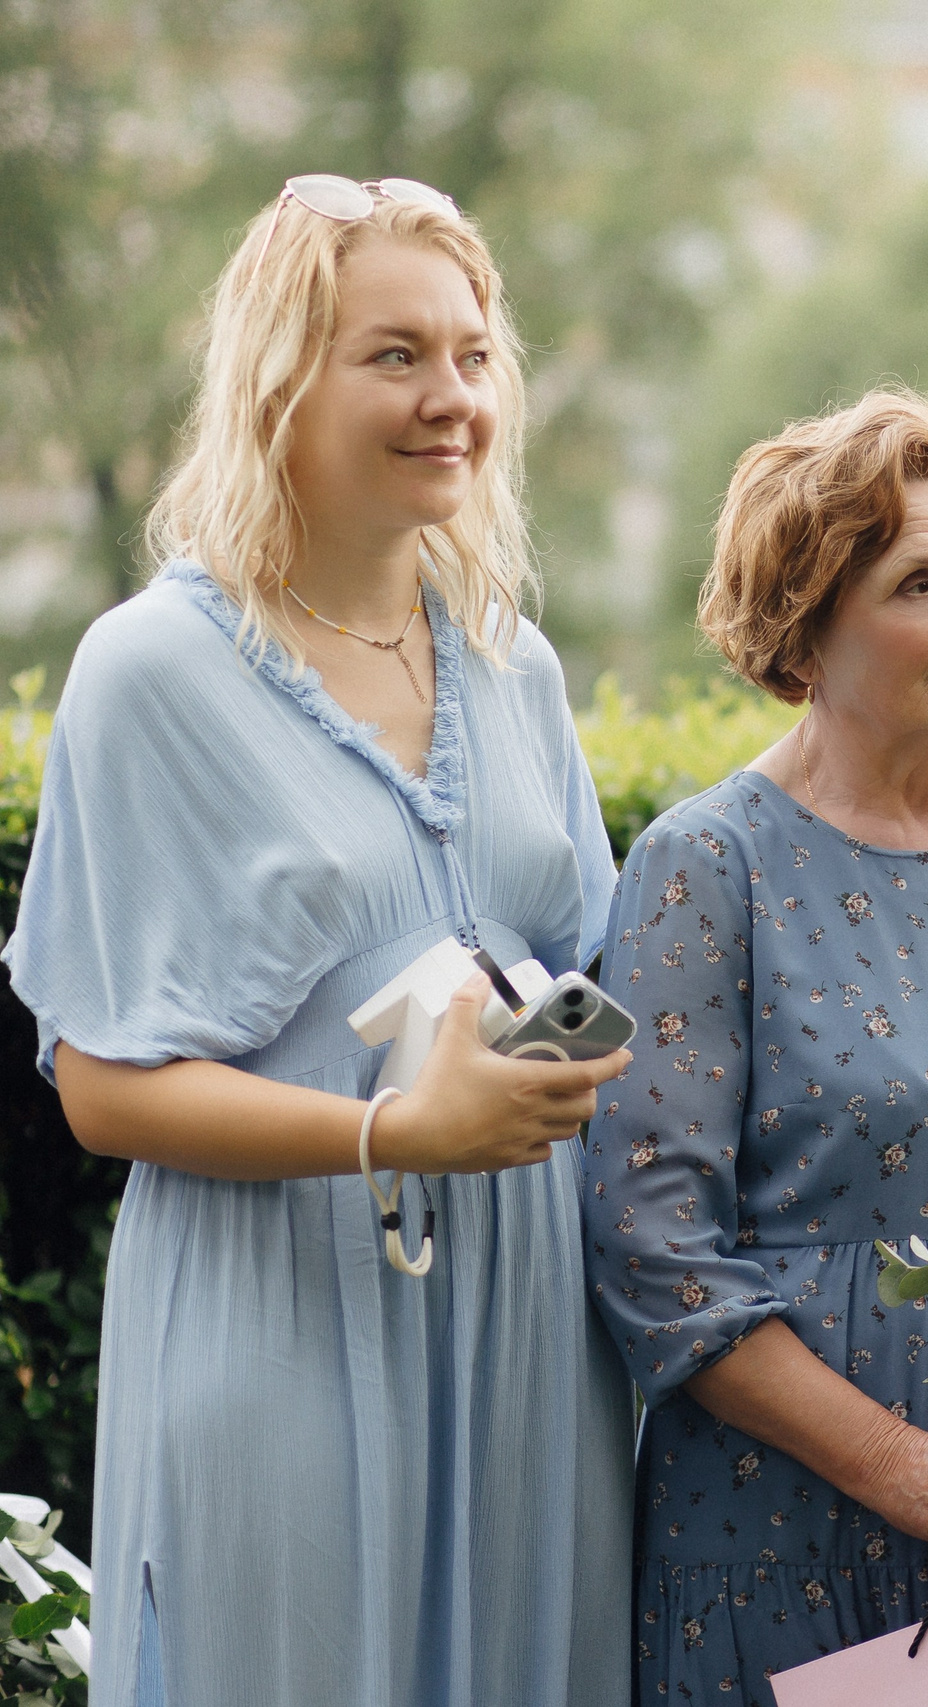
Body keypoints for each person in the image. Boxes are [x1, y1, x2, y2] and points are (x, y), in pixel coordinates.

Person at [4, 177, 635, 1706]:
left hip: (528, 1336)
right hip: (276, 1323)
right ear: (281, 378)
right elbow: (102, 1088)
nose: (454, 399)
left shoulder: (512, 660)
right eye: (397, 355)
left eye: (475, 356)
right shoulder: (150, 670)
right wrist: (391, 1126)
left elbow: (589, 973)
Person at [581, 391, 928, 1706]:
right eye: (920, 584)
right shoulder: (704, 863)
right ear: (808, 627)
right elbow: (652, 1250)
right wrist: (900, 1463)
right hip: (790, 1520)